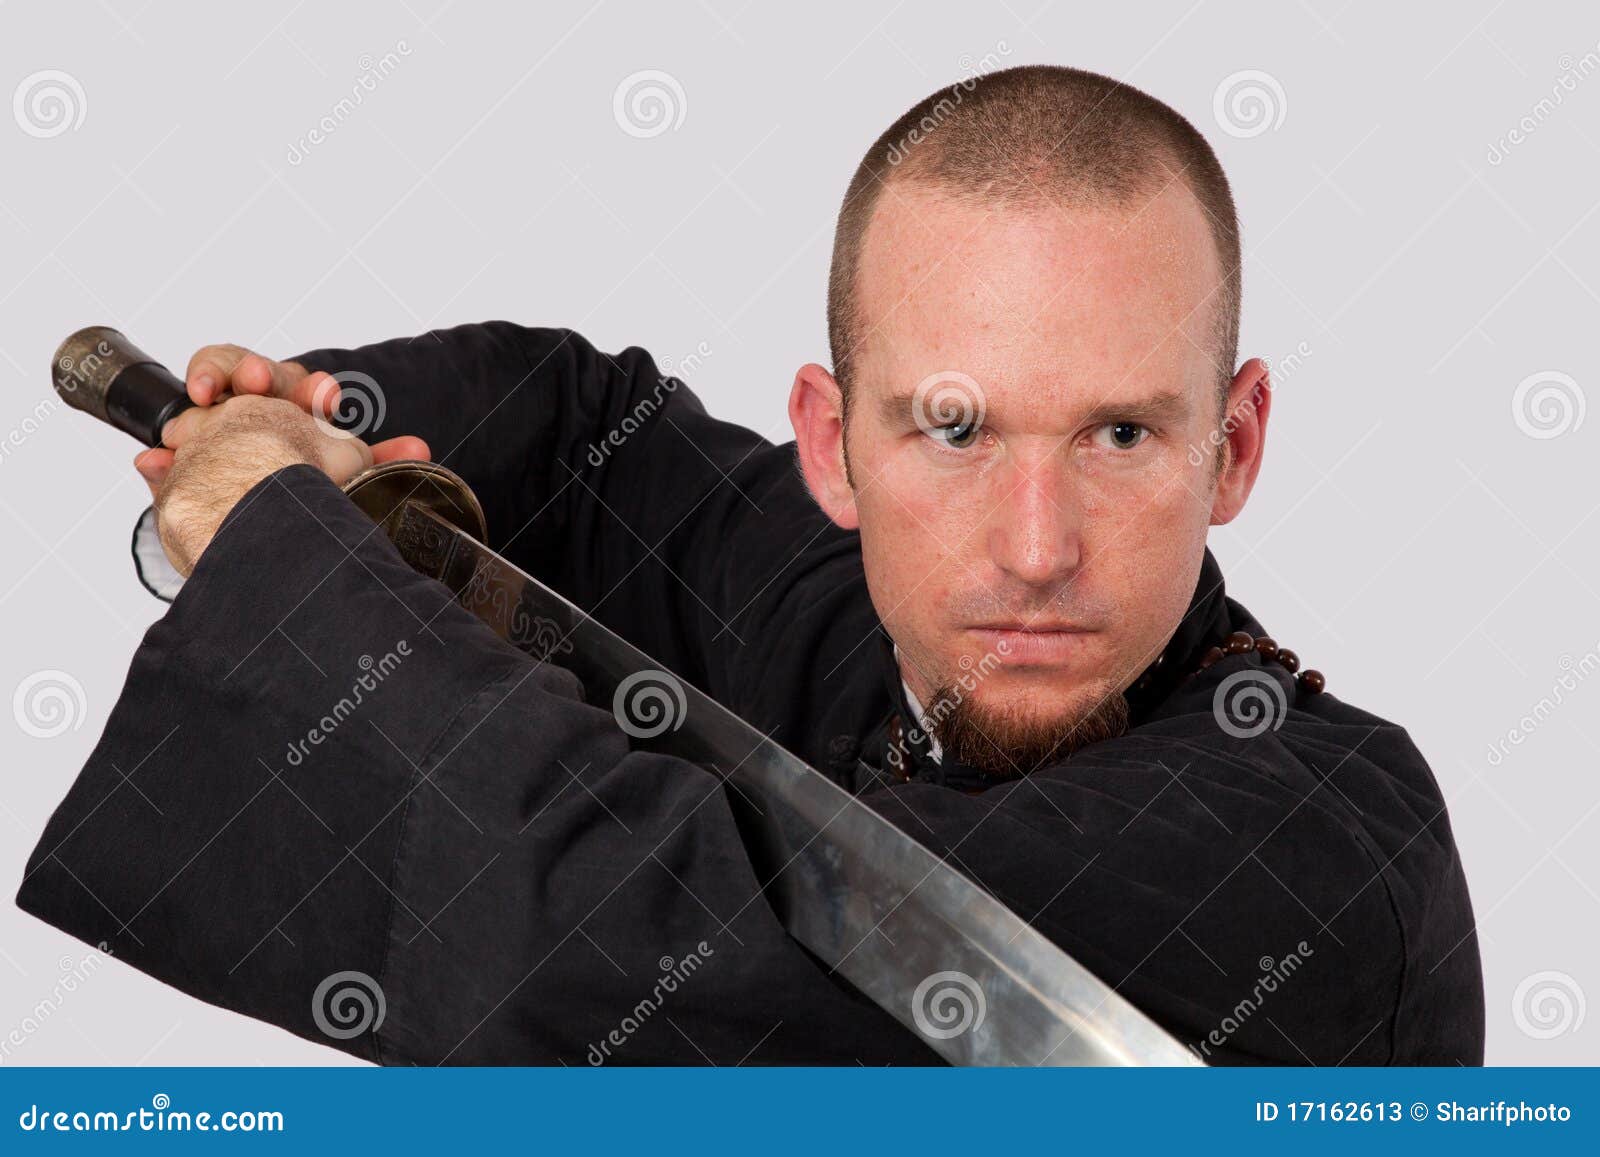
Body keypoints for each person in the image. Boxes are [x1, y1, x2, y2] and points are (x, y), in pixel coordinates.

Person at [17, 65, 1484, 1065]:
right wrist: (331, 429)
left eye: (1118, 433)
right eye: (954, 430)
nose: (1035, 551)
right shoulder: (883, 646)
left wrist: (283, 550)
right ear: (833, 449)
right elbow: (593, 446)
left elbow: (657, 953)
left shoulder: (1323, 846)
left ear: (1231, 448)